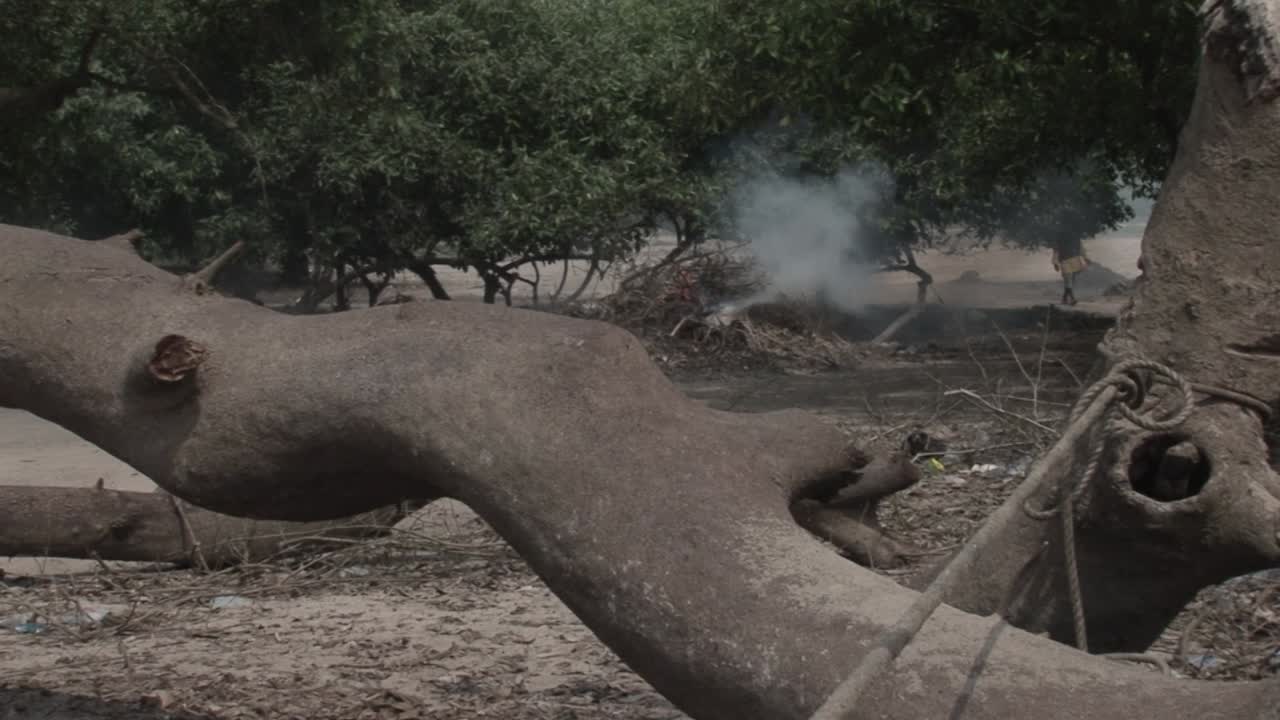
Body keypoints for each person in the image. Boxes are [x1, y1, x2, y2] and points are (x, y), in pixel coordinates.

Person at [1051, 234, 1089, 306]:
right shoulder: (1059, 238)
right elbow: (1056, 251)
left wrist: (1085, 258)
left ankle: (1064, 299)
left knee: (1070, 281)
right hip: (1064, 261)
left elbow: (1082, 249)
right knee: (1068, 279)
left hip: (1075, 260)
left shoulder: (1076, 238)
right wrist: (1055, 263)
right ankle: (1072, 299)